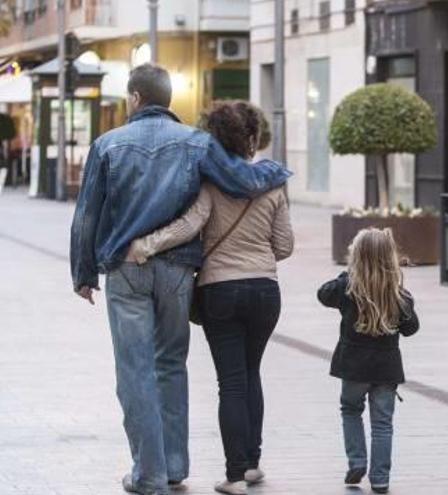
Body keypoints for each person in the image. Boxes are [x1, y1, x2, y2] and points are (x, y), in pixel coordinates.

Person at [69, 65, 290, 495]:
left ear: (134, 98)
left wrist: (83, 274)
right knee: (171, 363)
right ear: (169, 99)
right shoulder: (197, 142)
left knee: (135, 369)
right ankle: (173, 466)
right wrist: (277, 172)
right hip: (178, 271)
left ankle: (147, 473)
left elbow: (87, 216)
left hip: (125, 268)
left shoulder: (107, 144)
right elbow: (241, 181)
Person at [127, 100, 293, 495]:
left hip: (220, 290)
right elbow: (284, 246)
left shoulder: (210, 183)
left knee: (231, 381)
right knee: (252, 374)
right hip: (265, 292)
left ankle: (235, 475)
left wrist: (145, 244)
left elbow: (188, 226)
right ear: (253, 138)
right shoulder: (272, 185)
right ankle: (252, 464)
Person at [317, 229, 420, 494]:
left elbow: (323, 294)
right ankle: (380, 478)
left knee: (351, 410)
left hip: (353, 367)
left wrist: (346, 274)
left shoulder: (347, 287)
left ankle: (357, 461)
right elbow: (411, 329)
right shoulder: (399, 295)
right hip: (386, 370)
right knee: (383, 424)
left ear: (356, 257)